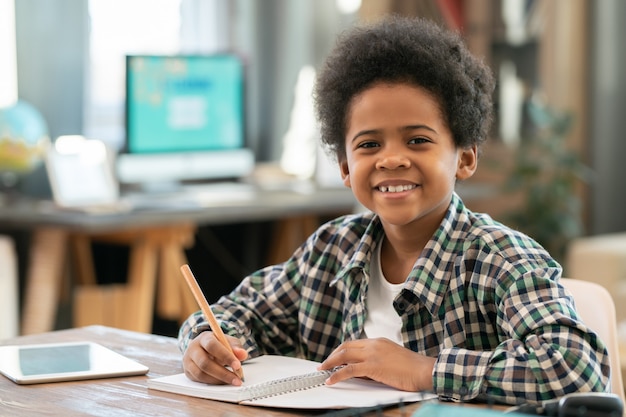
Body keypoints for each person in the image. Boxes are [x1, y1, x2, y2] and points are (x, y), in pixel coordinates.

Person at [178, 15, 609, 406]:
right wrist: (207, 343)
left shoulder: (501, 259)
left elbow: (577, 367)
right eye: (369, 145)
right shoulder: (330, 250)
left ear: (465, 157)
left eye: (418, 140)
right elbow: (235, 313)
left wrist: (423, 370)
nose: (391, 160)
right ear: (346, 168)